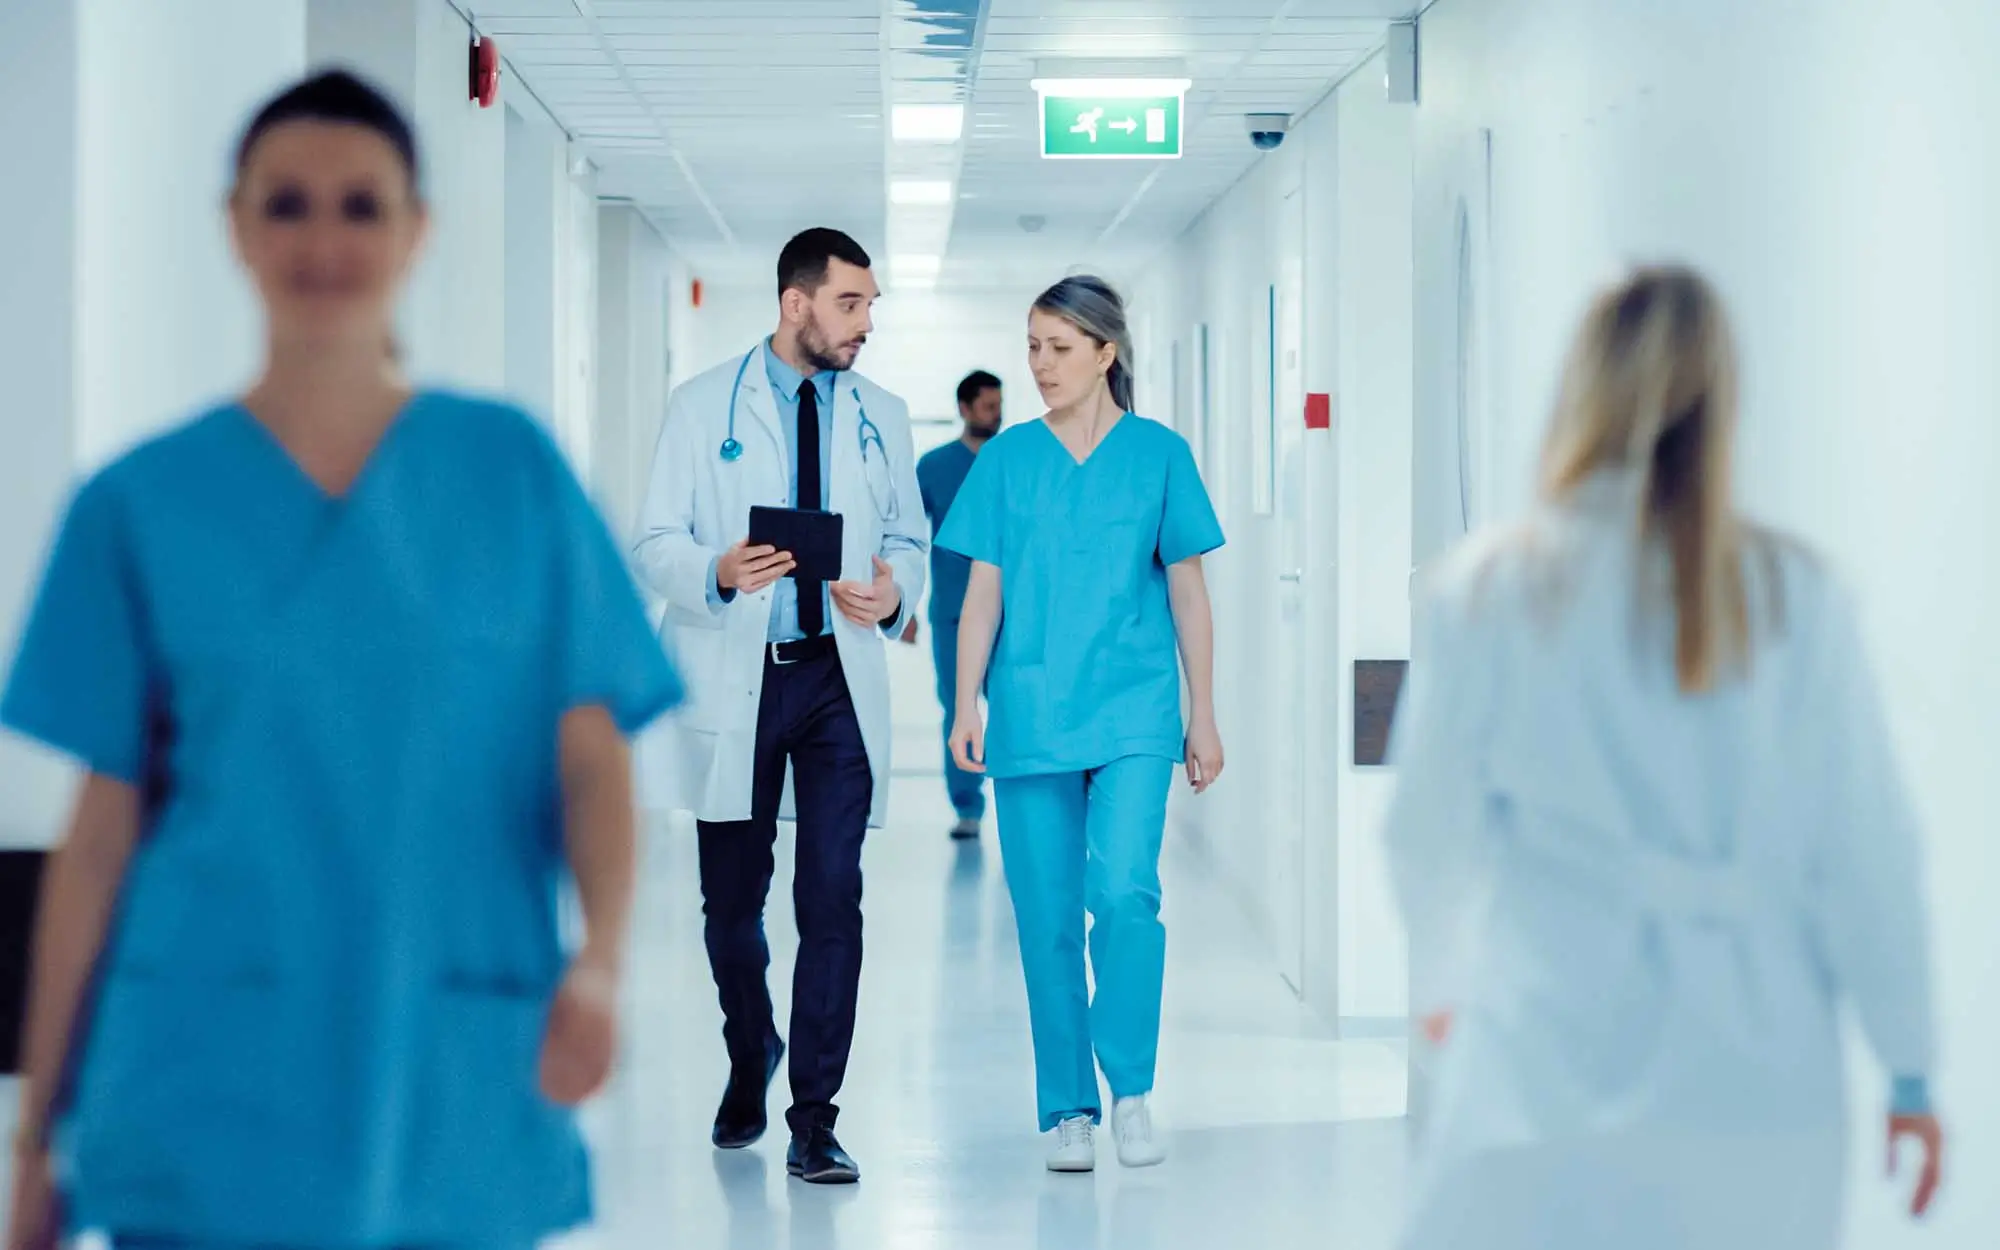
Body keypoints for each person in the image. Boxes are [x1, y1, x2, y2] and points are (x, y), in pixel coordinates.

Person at [1, 69, 682, 1250]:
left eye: (361, 206)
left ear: (417, 229)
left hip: (449, 1047)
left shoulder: (508, 474)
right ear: (237, 226)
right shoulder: (141, 504)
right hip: (207, 1064)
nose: (324, 239)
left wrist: (602, 963)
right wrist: (35, 1132)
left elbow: (588, 758)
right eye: (288, 204)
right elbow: (101, 831)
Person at [1383, 266, 1943, 1250]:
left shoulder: (1490, 589)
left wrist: (1436, 993)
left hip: (1541, 1046)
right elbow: (1868, 853)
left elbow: (1422, 830)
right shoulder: (1793, 595)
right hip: (1755, 1075)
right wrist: (1907, 1064)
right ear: (1723, 401)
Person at [631, 227, 926, 1185]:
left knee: (833, 898)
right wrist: (714, 570)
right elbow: (653, 542)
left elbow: (909, 541)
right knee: (731, 907)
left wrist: (894, 594)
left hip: (837, 679)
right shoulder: (700, 404)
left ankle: (814, 1118)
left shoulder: (883, 412)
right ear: (796, 303)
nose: (866, 324)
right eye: (852, 304)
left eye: (871, 305)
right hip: (738, 673)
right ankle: (750, 1048)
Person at [939, 275, 1225, 1173]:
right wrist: (963, 701)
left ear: (1106, 353)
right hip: (1031, 714)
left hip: (1137, 711)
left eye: (1059, 349)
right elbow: (982, 593)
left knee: (1126, 897)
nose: (1040, 366)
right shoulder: (1009, 460)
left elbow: (1188, 590)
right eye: (1032, 346)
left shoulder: (1159, 454)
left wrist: (1204, 714)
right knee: (1048, 917)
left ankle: (1130, 1089)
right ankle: (1068, 1108)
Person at [916, 369, 1004, 839]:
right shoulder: (933, 467)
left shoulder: (1015, 460)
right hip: (951, 611)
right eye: (988, 406)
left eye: (999, 405)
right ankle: (967, 807)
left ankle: (1019, 803)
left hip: (1013, 615)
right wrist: (903, 605)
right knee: (959, 708)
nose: (997, 415)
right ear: (965, 409)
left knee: (1012, 706)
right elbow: (906, 539)